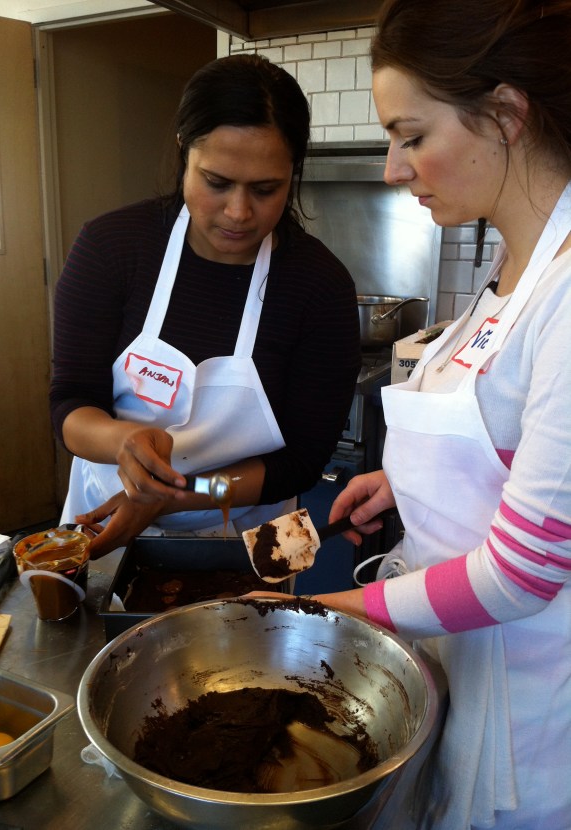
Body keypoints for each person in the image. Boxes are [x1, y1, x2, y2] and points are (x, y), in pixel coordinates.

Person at [254, 2, 571, 828]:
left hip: (529, 707)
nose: (395, 168)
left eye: (411, 134)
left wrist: (329, 616)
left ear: (506, 114)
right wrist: (405, 483)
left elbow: (524, 572)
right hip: (461, 667)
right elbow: (511, 445)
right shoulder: (517, 262)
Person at [49, 53, 361, 558]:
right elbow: (69, 402)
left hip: (257, 536)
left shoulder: (318, 285)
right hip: (104, 516)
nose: (239, 213)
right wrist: (120, 440)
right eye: (216, 182)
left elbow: (302, 462)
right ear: (183, 152)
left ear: (293, 172)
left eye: (266, 189)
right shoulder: (111, 248)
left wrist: (175, 498)